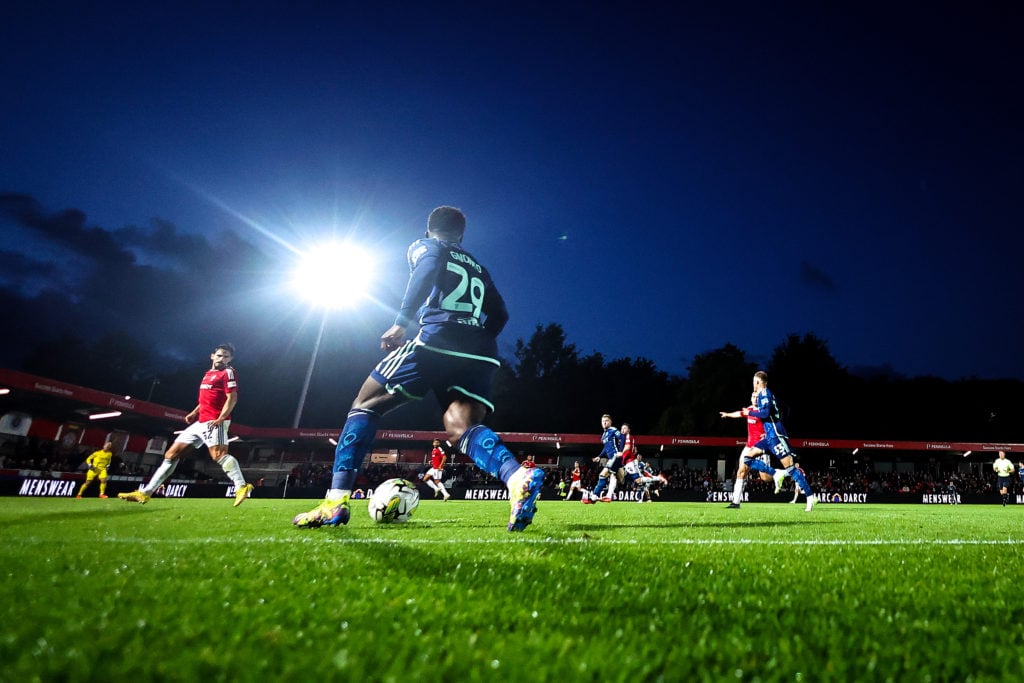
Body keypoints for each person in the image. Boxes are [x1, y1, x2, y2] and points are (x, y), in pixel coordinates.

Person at [292, 206, 544, 532]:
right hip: (481, 351)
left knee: (365, 405)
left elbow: (426, 269)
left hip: (436, 341)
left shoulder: (427, 246)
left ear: (429, 229)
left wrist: (401, 323)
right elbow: (501, 316)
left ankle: (335, 502)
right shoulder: (479, 267)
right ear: (462, 235)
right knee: (459, 426)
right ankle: (516, 476)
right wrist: (472, 341)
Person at [118, 343, 253, 506]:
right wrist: (195, 412)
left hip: (214, 420)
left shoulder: (228, 372)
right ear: (212, 356)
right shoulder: (208, 374)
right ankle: (145, 493)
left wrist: (221, 417)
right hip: (200, 421)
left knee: (218, 455)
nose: (221, 358)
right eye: (219, 355)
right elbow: (208, 398)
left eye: (225, 356)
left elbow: (232, 398)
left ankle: (242, 486)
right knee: (171, 455)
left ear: (230, 359)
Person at [743, 371, 817, 512]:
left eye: (754, 381)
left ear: (758, 382)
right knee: (747, 458)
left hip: (776, 436)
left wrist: (749, 412)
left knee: (790, 468)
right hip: (769, 436)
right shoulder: (764, 395)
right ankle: (776, 473)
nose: (753, 384)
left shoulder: (764, 393)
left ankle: (810, 496)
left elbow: (765, 413)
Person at [719, 390, 785, 509]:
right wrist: (728, 414)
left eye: (757, 397)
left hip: (760, 448)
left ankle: (778, 473)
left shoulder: (764, 412)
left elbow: (775, 424)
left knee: (765, 478)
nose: (755, 399)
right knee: (741, 472)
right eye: (753, 396)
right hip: (749, 447)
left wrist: (767, 435)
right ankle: (736, 502)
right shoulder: (749, 410)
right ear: (750, 398)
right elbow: (739, 414)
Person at [583, 414, 622, 503]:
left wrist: (621, 451)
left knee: (603, 474)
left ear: (610, 422)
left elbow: (622, 438)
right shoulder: (604, 435)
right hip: (612, 458)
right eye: (603, 421)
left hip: (616, 456)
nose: (604, 422)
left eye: (606, 420)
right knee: (613, 476)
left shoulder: (613, 430)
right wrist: (599, 456)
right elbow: (605, 448)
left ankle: (594, 497)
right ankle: (607, 496)